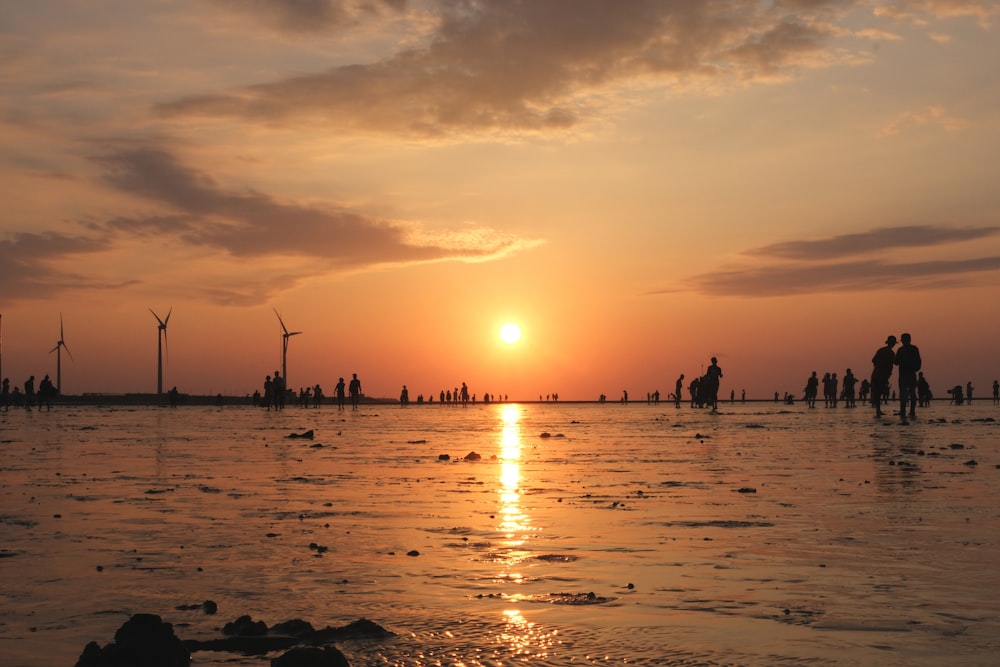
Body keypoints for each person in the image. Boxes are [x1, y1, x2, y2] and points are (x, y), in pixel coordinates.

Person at [894, 332, 921, 423]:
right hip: (910, 374)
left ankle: (904, 411)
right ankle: (911, 411)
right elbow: (918, 362)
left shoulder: (901, 350)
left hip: (904, 375)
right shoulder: (914, 349)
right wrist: (914, 369)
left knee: (905, 394)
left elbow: (896, 362)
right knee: (911, 393)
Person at [870, 335, 897, 418]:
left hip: (876, 375)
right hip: (882, 376)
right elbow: (895, 363)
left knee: (877, 393)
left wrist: (878, 367)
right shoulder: (891, 353)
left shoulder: (881, 350)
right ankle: (878, 410)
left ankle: (878, 410)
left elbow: (873, 360)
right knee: (880, 392)